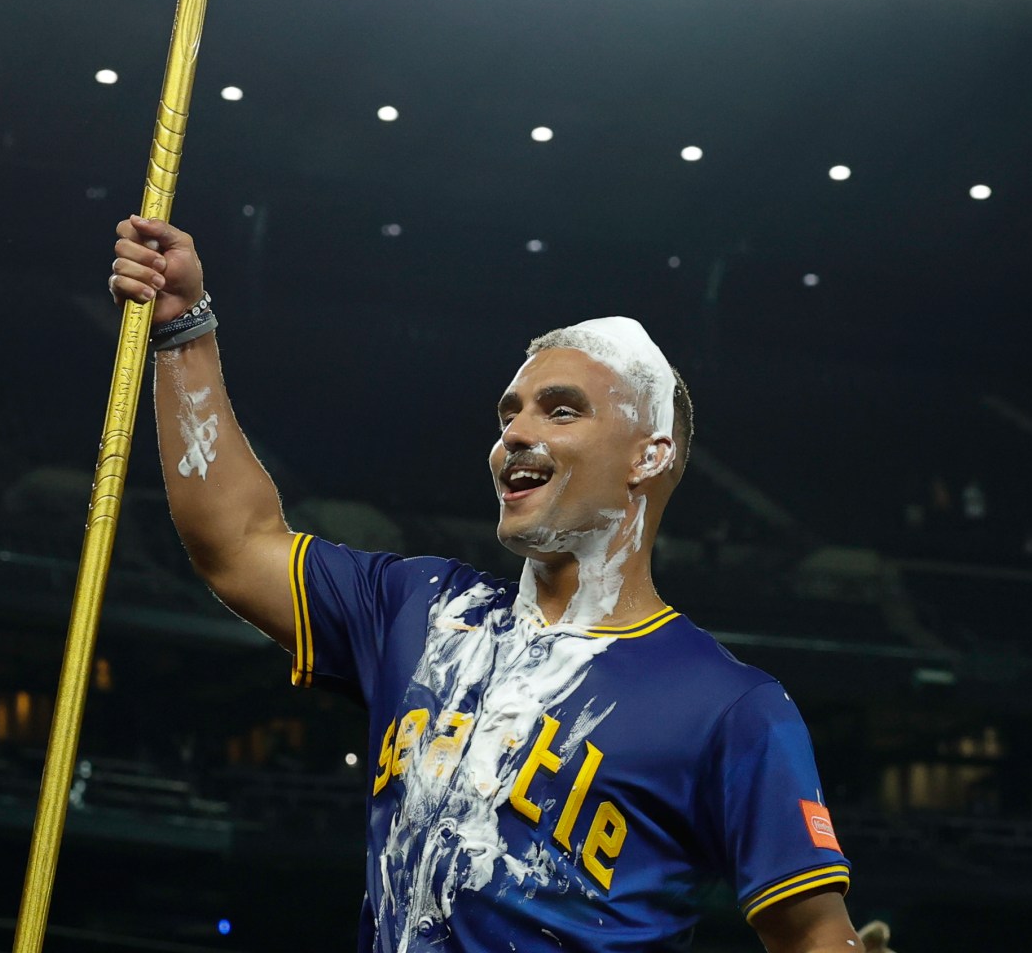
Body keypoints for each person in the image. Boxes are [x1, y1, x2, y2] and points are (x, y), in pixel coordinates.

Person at [111, 217, 867, 953]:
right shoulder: (421, 609)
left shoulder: (733, 709)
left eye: (560, 409)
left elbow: (812, 938)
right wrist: (184, 330)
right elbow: (235, 544)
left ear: (649, 454)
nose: (515, 433)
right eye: (509, 414)